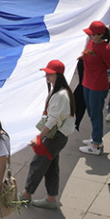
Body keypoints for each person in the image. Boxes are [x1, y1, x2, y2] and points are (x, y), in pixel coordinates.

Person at [23, 60, 75, 208]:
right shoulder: (60, 91)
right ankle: (51, 198)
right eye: (47, 73)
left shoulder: (60, 95)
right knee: (50, 166)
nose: (47, 76)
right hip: (57, 136)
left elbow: (53, 120)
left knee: (38, 163)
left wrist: (39, 137)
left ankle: (26, 194)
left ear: (58, 75)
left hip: (55, 137)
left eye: (50, 74)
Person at [79, 21, 110, 155]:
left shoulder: (104, 48)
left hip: (98, 85)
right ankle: (96, 137)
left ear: (100, 35)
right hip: (87, 82)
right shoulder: (91, 42)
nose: (90, 36)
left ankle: (96, 144)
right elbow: (88, 53)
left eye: (92, 34)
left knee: (95, 113)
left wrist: (101, 69)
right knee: (91, 112)